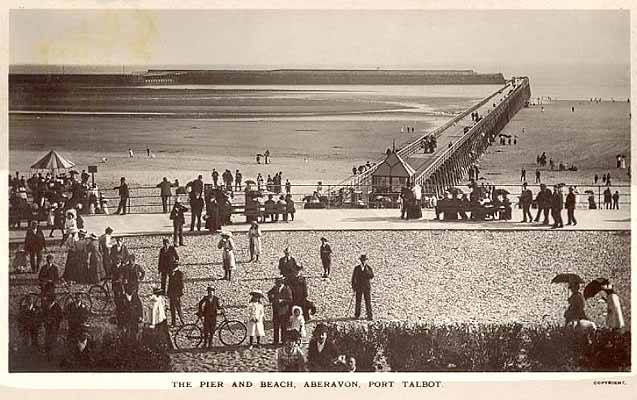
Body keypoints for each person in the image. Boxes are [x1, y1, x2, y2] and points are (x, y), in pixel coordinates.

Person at [268, 277, 293, 345]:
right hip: (276, 309)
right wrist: (271, 299)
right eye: (276, 282)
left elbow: (290, 300)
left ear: (282, 282)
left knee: (283, 326)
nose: (277, 284)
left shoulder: (287, 289)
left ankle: (283, 340)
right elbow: (269, 293)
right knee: (276, 326)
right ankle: (276, 341)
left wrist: (283, 300)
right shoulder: (275, 288)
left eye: (278, 282)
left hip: (284, 310)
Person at [351, 254, 374, 320]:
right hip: (359, 287)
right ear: (360, 260)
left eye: (364, 260)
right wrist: (354, 287)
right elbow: (353, 278)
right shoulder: (357, 268)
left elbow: (372, 276)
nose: (363, 261)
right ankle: (357, 314)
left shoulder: (368, 268)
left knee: (368, 301)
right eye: (362, 260)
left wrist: (367, 271)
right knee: (358, 301)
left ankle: (369, 315)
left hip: (366, 287)